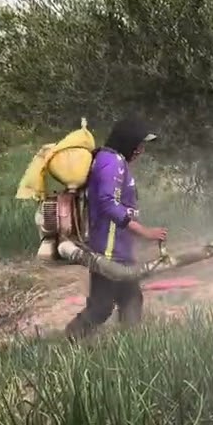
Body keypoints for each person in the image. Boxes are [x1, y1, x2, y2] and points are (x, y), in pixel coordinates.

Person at [64, 116, 168, 339]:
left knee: (131, 299)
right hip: (109, 252)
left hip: (117, 250)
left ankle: (130, 346)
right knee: (102, 307)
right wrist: (145, 232)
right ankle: (73, 335)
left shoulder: (111, 160)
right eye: (138, 144)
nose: (140, 150)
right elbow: (108, 203)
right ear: (126, 140)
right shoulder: (112, 162)